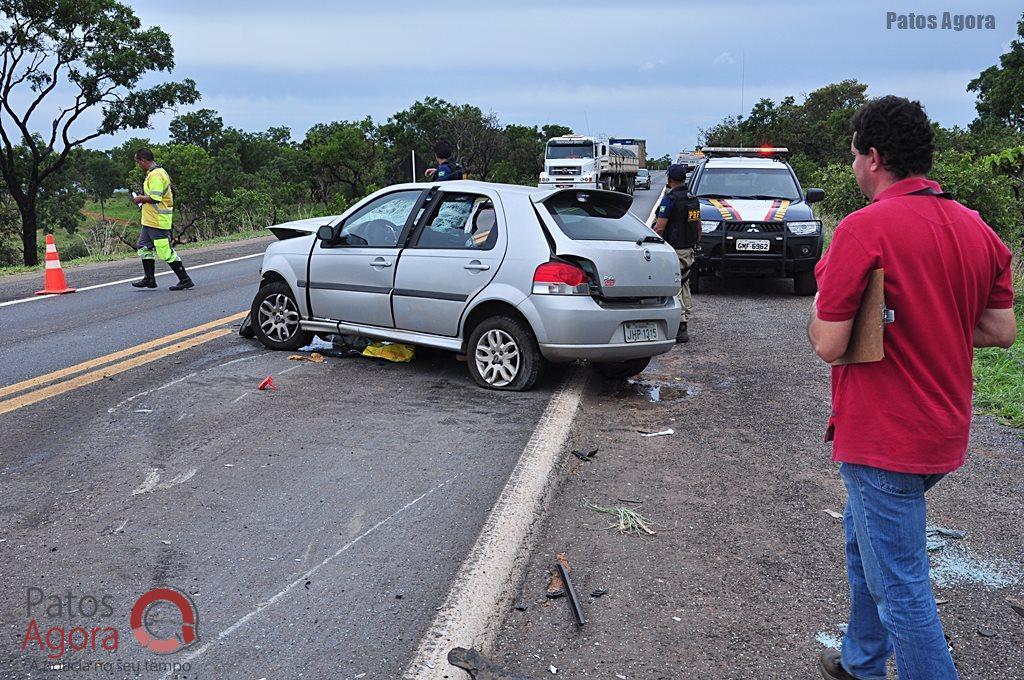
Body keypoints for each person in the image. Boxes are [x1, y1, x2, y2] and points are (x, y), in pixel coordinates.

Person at [807, 96, 1016, 680]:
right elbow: (1000, 330)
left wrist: (832, 317)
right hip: (942, 433)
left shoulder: (862, 229)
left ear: (873, 157)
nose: (853, 167)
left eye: (853, 156)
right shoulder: (976, 227)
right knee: (863, 541)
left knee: (900, 586)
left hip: (883, 438)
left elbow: (828, 341)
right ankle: (859, 661)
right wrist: (931, 321)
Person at [131, 148, 193, 290]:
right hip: (149, 220)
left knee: (165, 252)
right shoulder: (153, 173)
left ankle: (185, 279)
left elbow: (155, 198)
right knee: (144, 247)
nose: (138, 165)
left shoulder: (156, 175)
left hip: (158, 221)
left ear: (144, 160)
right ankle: (149, 279)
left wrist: (140, 198)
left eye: (138, 162)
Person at [652, 163, 700, 343]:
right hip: (688, 249)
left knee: (674, 287)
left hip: (673, 250)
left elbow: (660, 228)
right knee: (684, 284)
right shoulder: (692, 199)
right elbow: (698, 226)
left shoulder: (670, 200)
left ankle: (680, 326)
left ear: (669, 179)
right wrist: (695, 243)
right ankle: (684, 320)